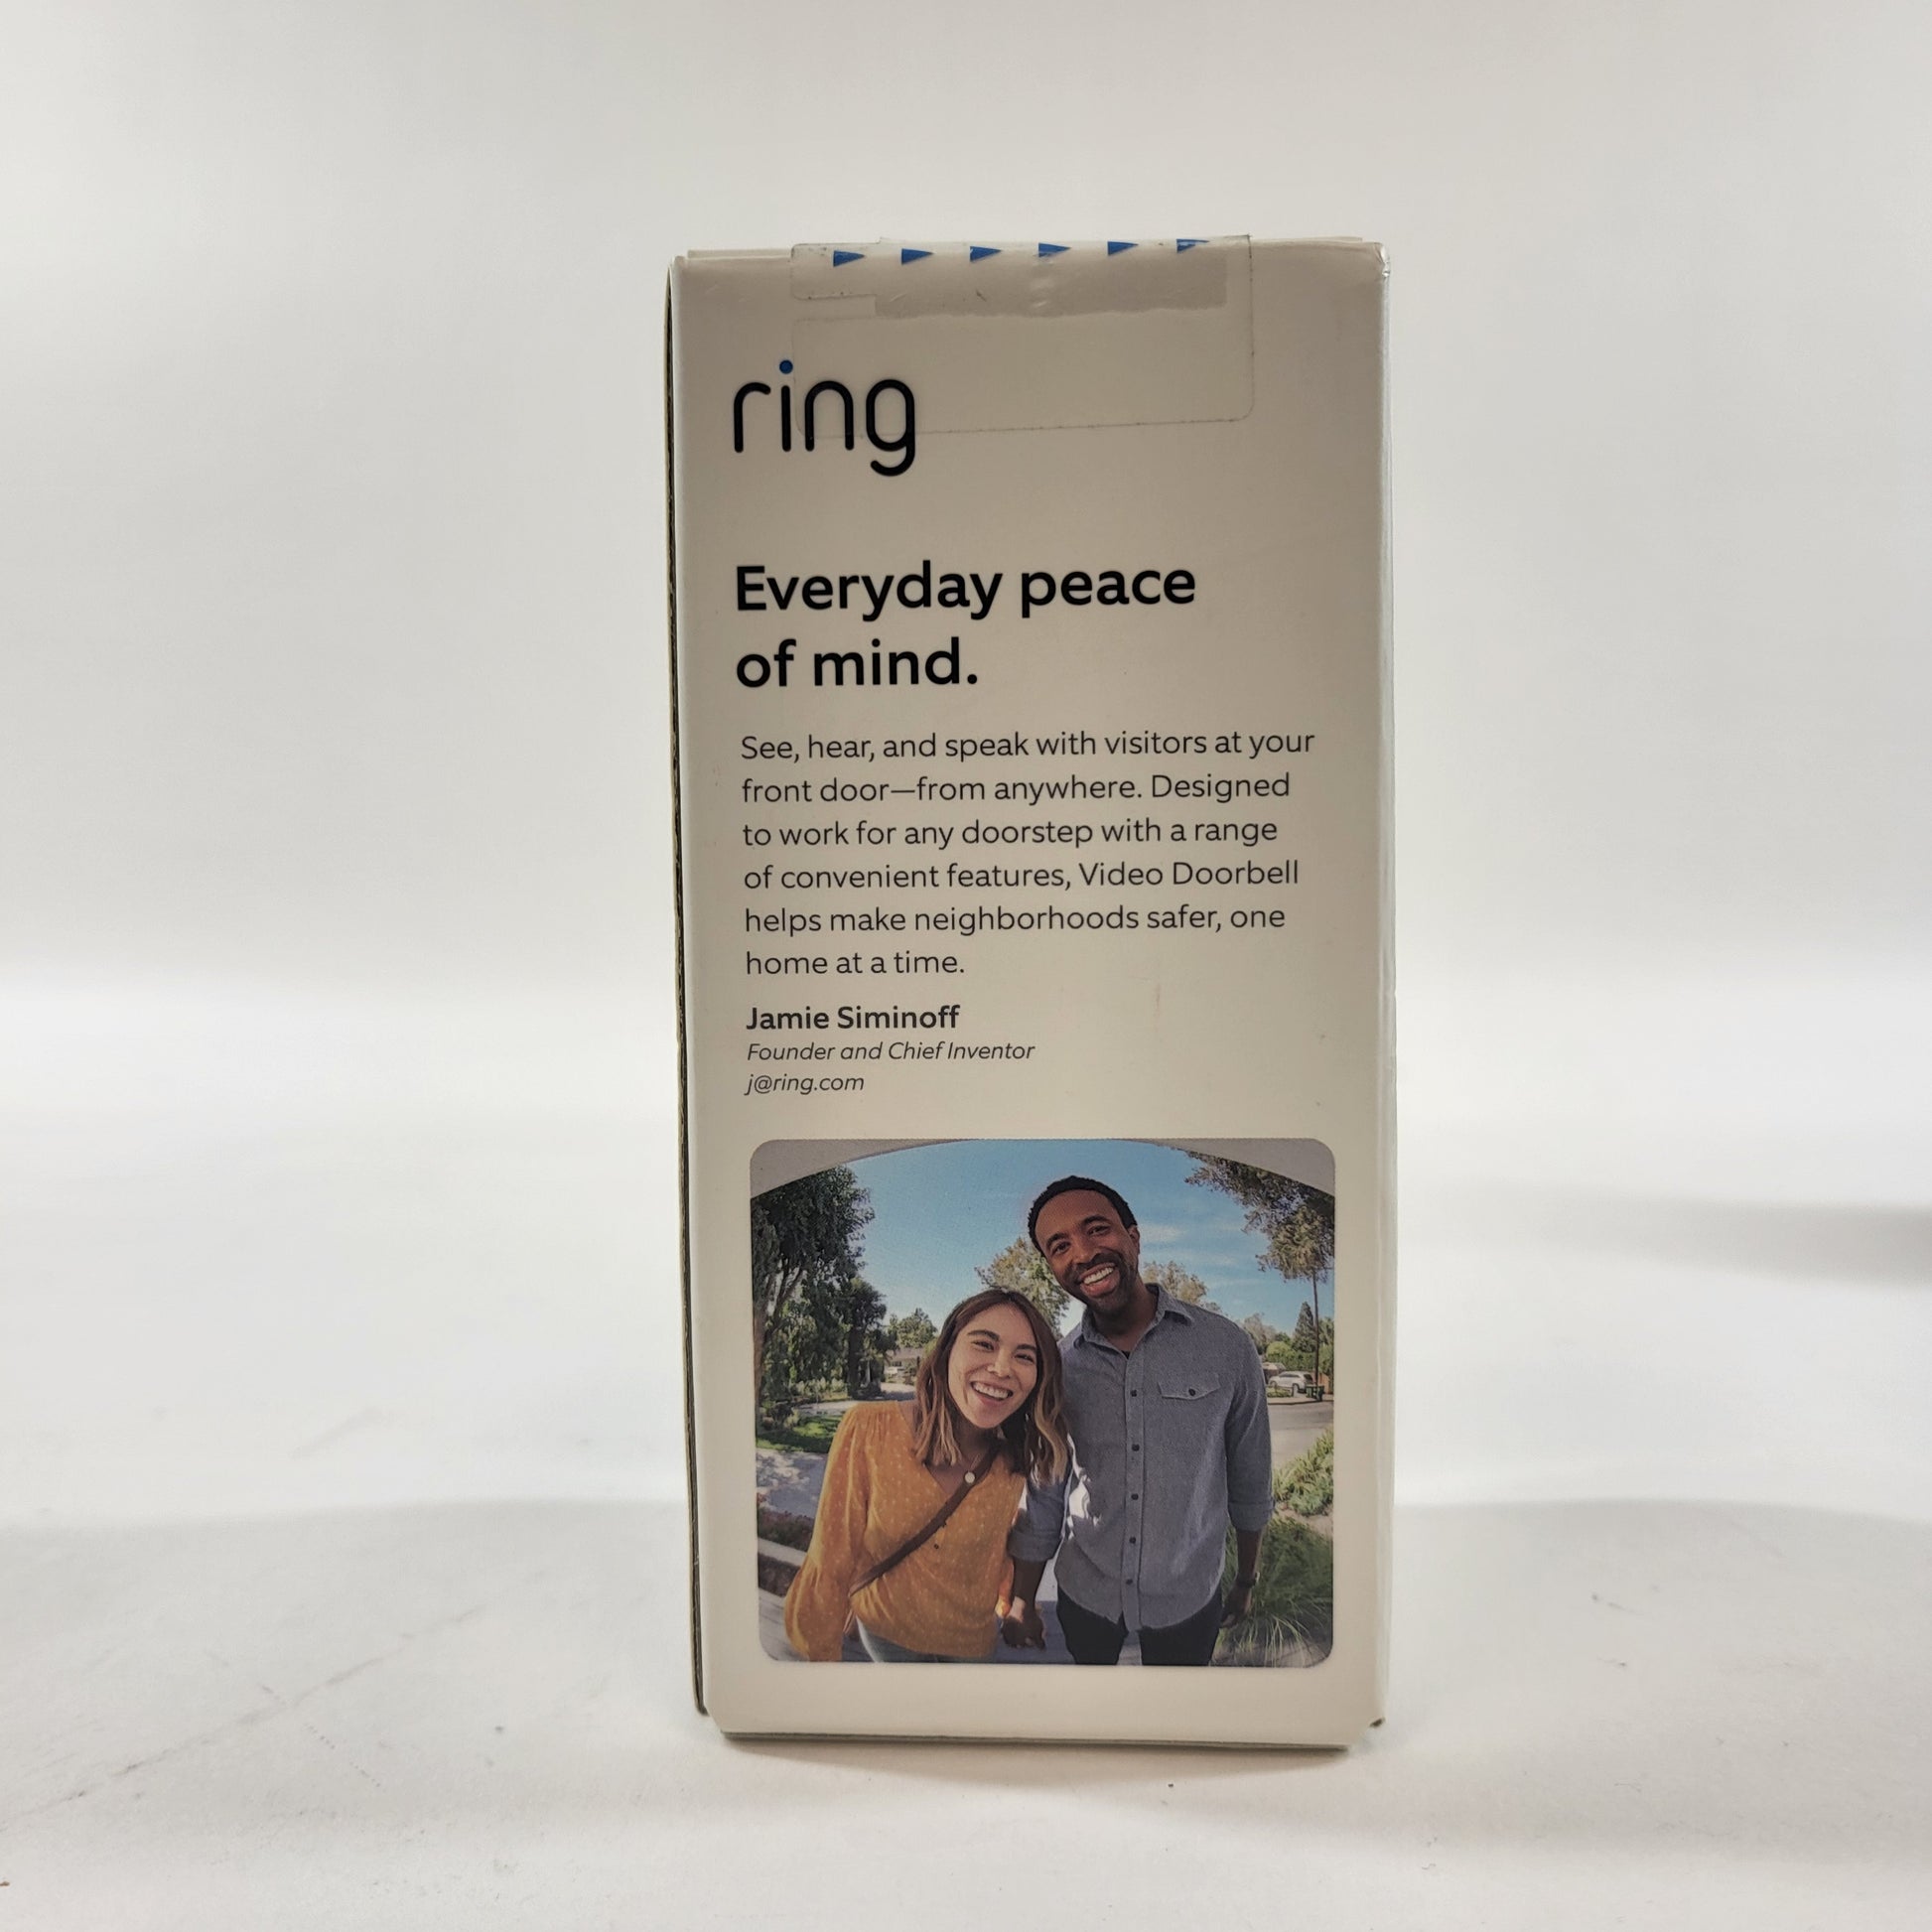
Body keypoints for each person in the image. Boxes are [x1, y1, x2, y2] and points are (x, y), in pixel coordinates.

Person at [1003, 1175, 1272, 1666]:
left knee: (1175, 1714)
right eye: (1060, 1246)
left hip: (1188, 1599)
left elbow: (1251, 1480)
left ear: (1133, 1237)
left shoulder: (1228, 1348)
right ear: (1052, 1268)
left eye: (1097, 1229)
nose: (1083, 1253)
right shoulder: (1057, 1367)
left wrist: (1246, 1580)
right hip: (1086, 1596)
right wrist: (1022, 1600)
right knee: (1094, 1710)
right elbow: (1044, 1496)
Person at [784, 1288, 1070, 1662]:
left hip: (971, 1642)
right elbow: (832, 1554)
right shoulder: (869, 1430)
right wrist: (820, 1658)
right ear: (947, 1350)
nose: (1002, 1368)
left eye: (1024, 1356)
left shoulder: (1014, 1457)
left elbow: (995, 1550)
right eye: (984, 1344)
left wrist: (1015, 1604)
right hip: (885, 1632)